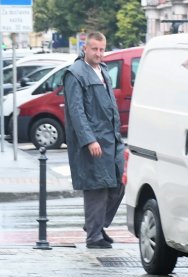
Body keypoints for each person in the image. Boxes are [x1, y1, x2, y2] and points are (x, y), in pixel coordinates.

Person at [63, 31, 124, 249]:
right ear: (84, 49)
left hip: (111, 140)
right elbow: (76, 112)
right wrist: (89, 140)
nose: (98, 53)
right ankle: (94, 236)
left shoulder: (104, 71)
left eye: (101, 49)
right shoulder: (75, 73)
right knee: (97, 187)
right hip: (94, 143)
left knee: (118, 184)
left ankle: (94, 225)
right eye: (94, 49)